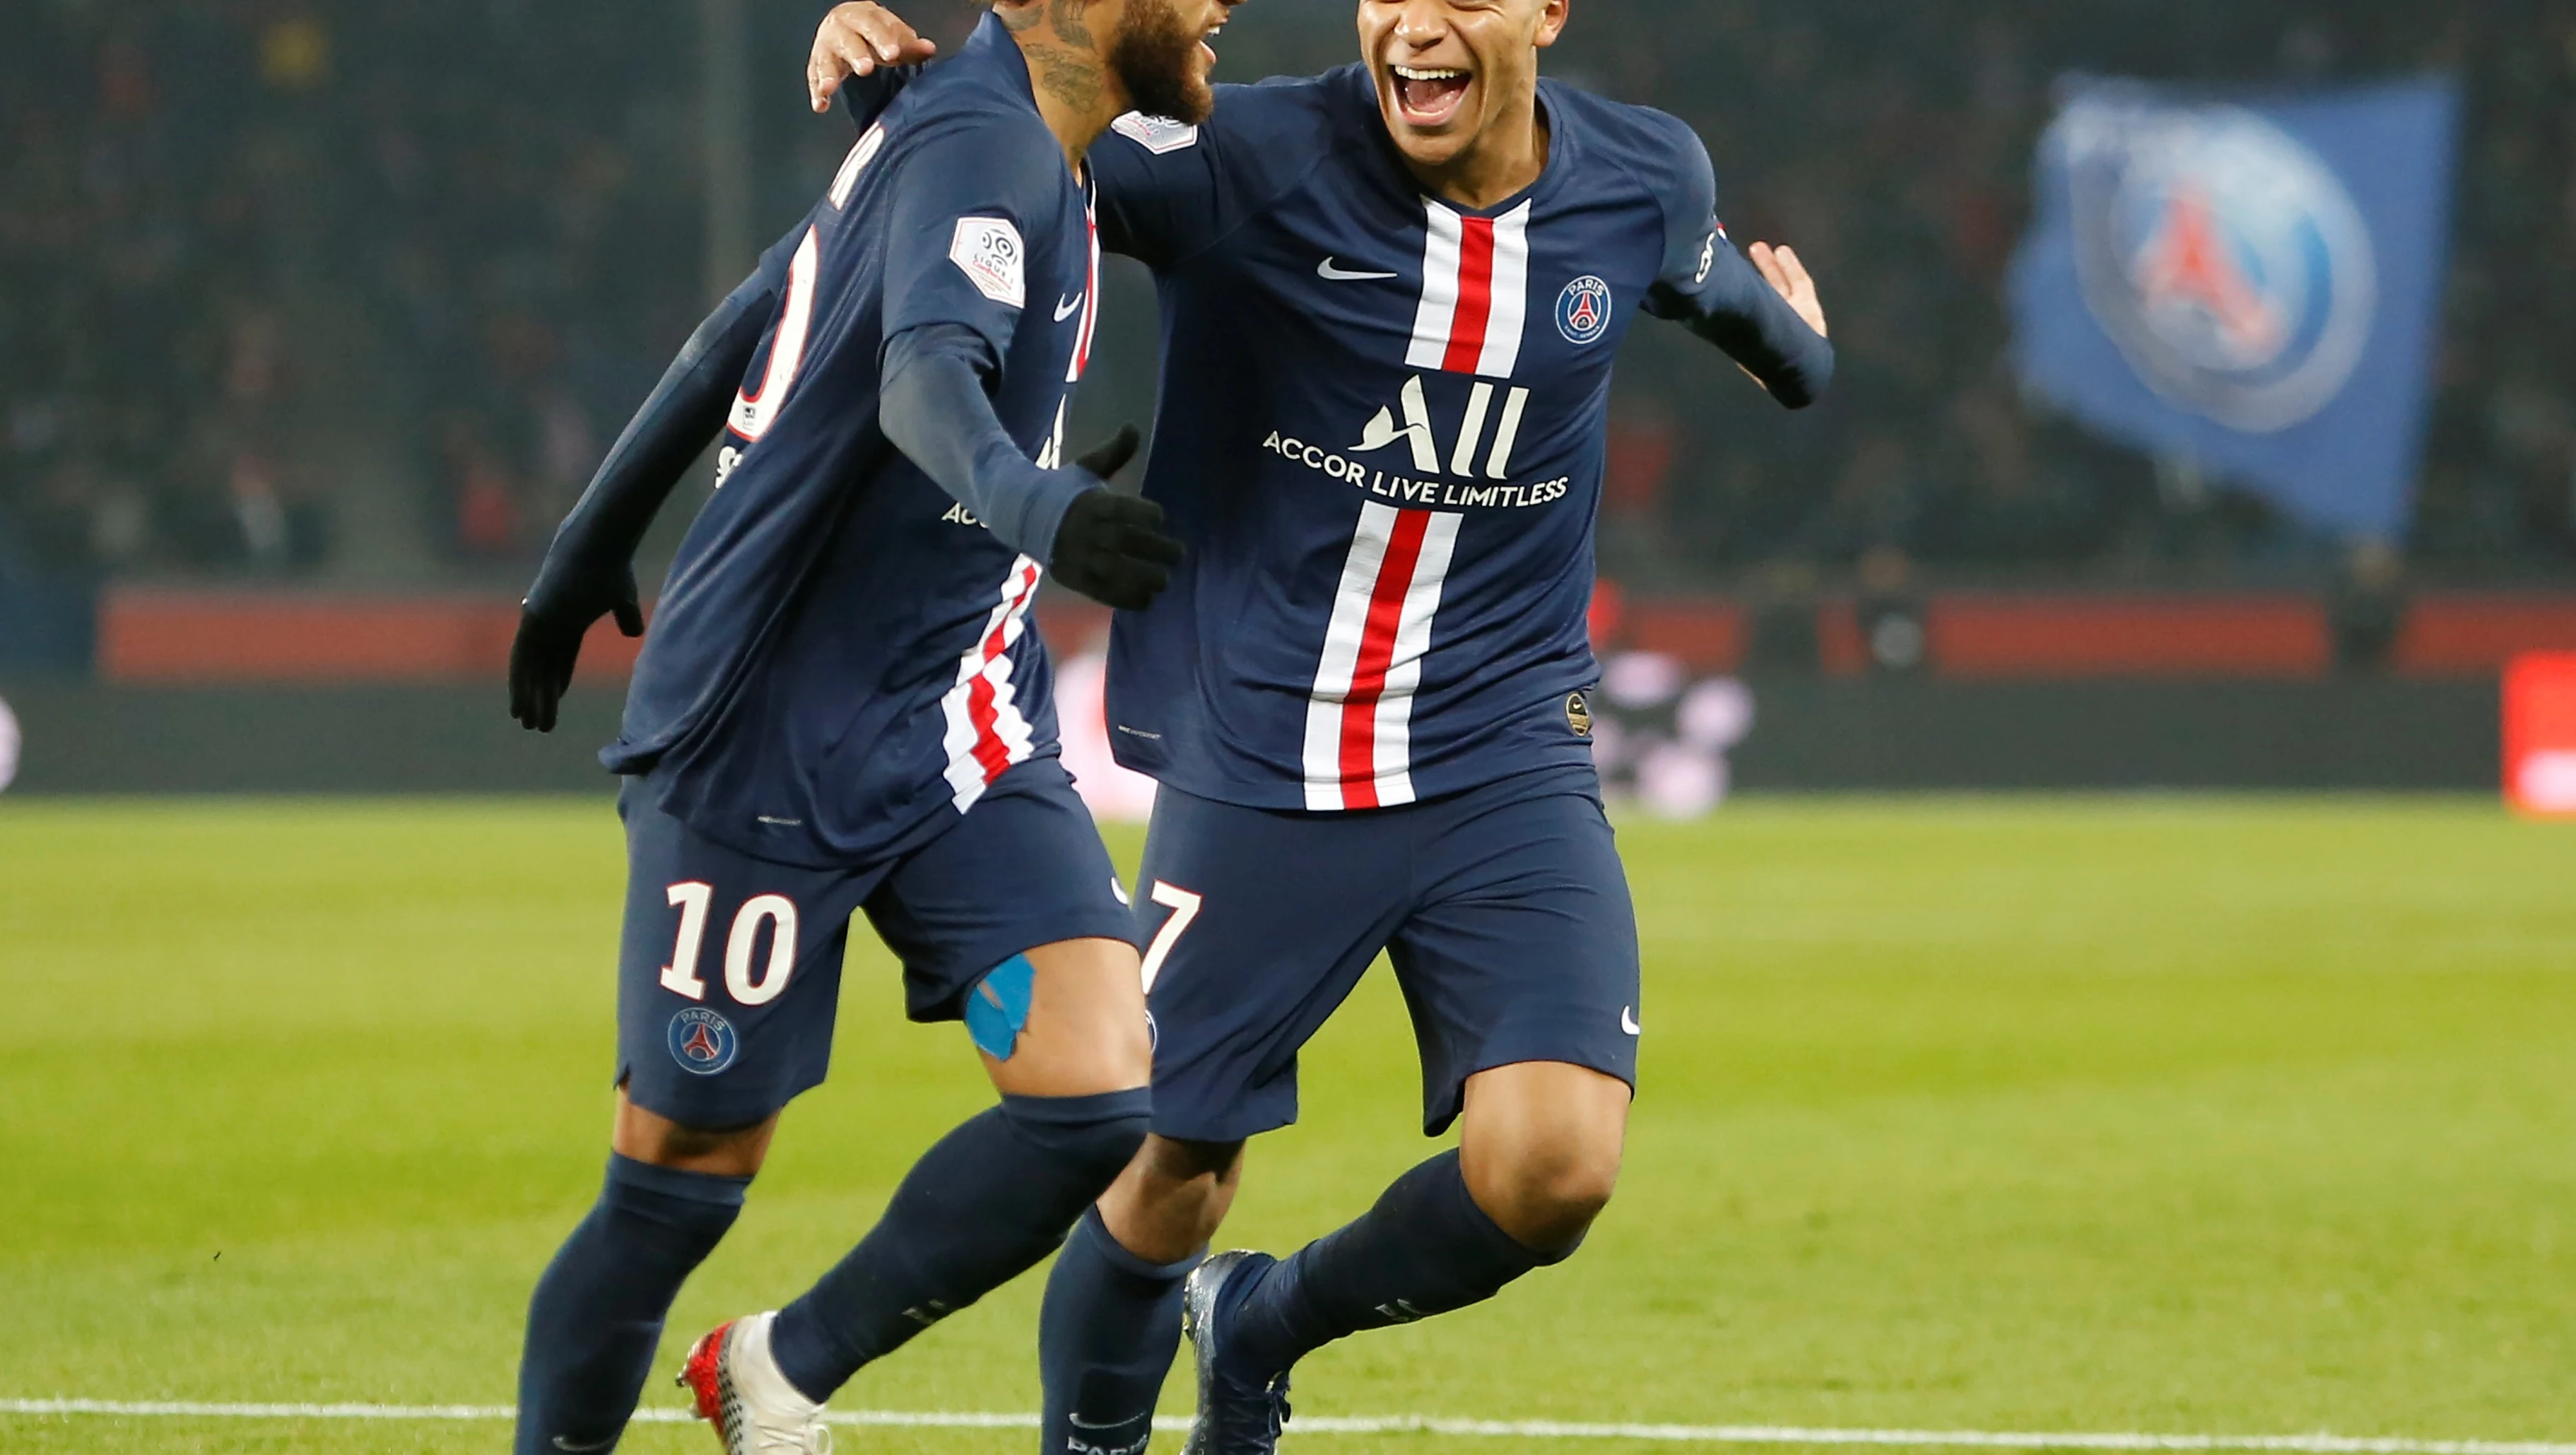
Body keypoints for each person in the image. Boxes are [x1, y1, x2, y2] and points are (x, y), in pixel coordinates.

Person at [782, 2, 1834, 1451]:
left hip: (1503, 754)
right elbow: (1030, 134)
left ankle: (1262, 1324)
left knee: (1556, 1170)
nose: (1415, 22)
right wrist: (904, 76)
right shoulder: (1250, 156)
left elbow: (1731, 303)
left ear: (1544, 15)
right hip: (1265, 755)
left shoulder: (1642, 178)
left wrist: (1802, 353)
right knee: (1168, 1170)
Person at [498, 0, 1240, 1449]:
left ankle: (772, 1371)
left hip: (959, 705)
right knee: (677, 1186)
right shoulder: (983, 142)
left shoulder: (1018, 133)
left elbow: (752, 318)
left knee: (1099, 1107)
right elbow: (919, 385)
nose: (1221, 3)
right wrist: (1043, 506)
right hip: (773, 724)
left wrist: (591, 541)